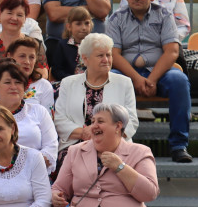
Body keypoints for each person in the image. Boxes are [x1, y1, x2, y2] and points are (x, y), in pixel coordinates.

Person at [108, 0, 193, 163]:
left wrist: (152, 78)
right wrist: (137, 79)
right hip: (127, 73)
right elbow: (113, 55)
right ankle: (115, 144)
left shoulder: (164, 16)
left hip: (159, 72)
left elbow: (171, 52)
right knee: (111, 79)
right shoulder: (115, 19)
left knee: (180, 80)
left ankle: (179, 146)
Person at [54, 33, 138, 172]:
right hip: (76, 145)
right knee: (74, 166)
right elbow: (59, 119)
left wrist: (103, 135)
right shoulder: (68, 83)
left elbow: (132, 121)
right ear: (85, 59)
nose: (106, 60)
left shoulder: (124, 83)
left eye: (109, 55)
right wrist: (83, 133)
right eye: (100, 56)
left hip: (114, 145)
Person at [0, 61, 58, 173]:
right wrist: (3, 168)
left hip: (34, 174)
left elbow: (51, 148)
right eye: (7, 82)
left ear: (25, 87)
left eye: (18, 82)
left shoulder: (39, 111)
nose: (13, 87)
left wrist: (23, 168)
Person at [0, 37, 53, 112]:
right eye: (22, 56)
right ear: (9, 56)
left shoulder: (44, 86)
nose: (27, 62)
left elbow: (48, 119)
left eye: (32, 57)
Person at [48, 6, 92, 83]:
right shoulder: (62, 45)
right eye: (78, 24)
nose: (84, 27)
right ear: (69, 26)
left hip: (91, 82)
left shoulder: (94, 45)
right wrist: (71, 79)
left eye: (87, 23)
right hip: (69, 82)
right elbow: (56, 70)